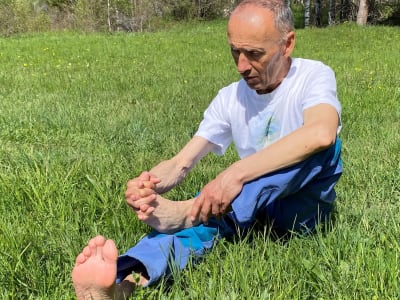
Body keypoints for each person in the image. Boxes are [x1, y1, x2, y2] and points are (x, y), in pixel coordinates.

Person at [72, 0, 343, 299]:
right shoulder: (230, 98)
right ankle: (120, 287)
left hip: (300, 212)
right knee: (189, 233)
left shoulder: (312, 76)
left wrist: (233, 176)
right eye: (234, 52)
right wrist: (150, 186)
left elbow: (321, 133)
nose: (241, 66)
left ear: (287, 43)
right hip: (246, 207)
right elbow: (181, 163)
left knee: (323, 151)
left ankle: (190, 212)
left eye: (254, 54)